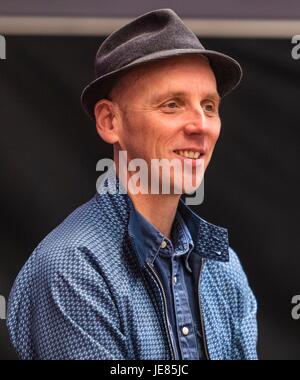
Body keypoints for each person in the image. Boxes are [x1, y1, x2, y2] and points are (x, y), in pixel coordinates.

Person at [7, 8, 258, 360]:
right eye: (172, 105)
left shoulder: (223, 266)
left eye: (209, 106)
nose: (201, 125)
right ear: (110, 121)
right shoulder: (71, 268)